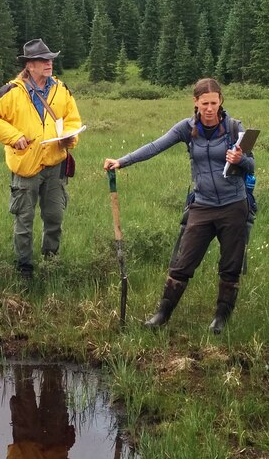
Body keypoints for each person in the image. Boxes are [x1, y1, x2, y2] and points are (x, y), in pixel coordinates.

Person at [104, 78, 254, 335]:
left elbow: (251, 166)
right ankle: (162, 314)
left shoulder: (233, 128)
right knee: (183, 263)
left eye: (214, 103)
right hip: (202, 205)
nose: (209, 108)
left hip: (234, 205)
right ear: (195, 102)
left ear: (221, 102)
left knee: (230, 265)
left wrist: (241, 159)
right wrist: (122, 161)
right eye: (204, 103)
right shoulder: (187, 128)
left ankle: (220, 318)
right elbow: (155, 146)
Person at [0, 39, 82, 279]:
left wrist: (69, 137)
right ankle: (25, 268)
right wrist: (13, 137)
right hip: (26, 166)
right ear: (29, 66)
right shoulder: (11, 91)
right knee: (24, 220)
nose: (49, 63)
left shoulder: (61, 89)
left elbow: (72, 119)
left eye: (50, 59)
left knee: (54, 217)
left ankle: (50, 262)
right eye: (43, 60)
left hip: (55, 165)